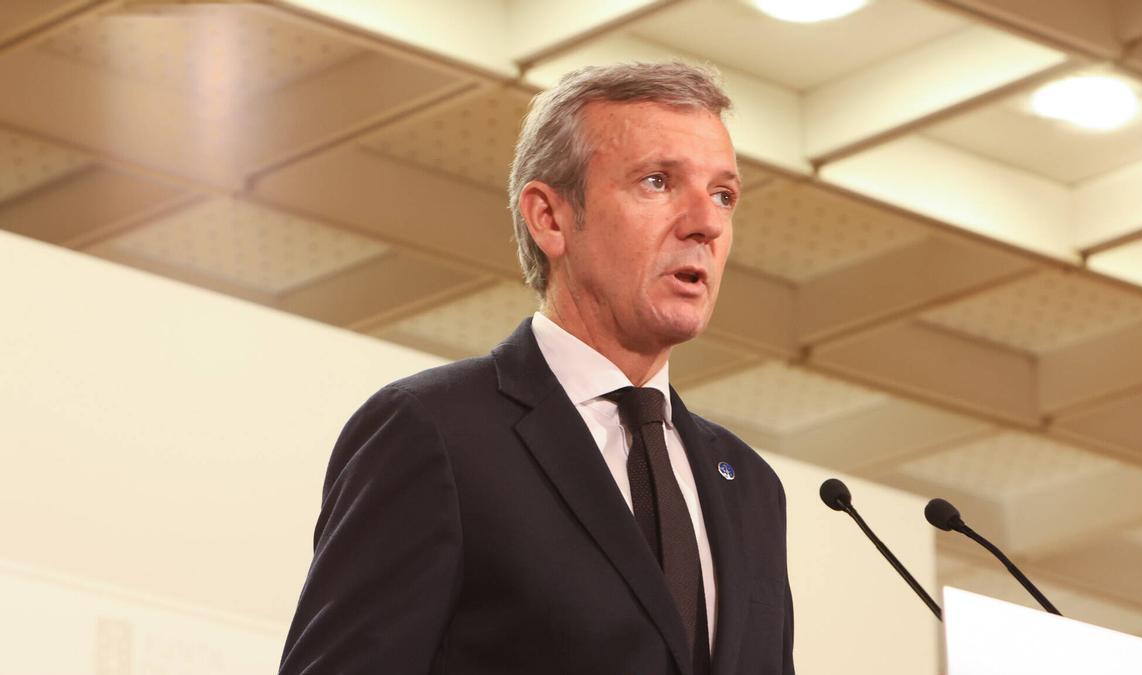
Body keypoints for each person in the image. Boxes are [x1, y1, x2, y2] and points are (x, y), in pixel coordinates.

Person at [278, 62, 794, 675]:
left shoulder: (750, 487)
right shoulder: (436, 432)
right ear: (550, 217)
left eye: (723, 195)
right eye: (657, 182)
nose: (706, 223)